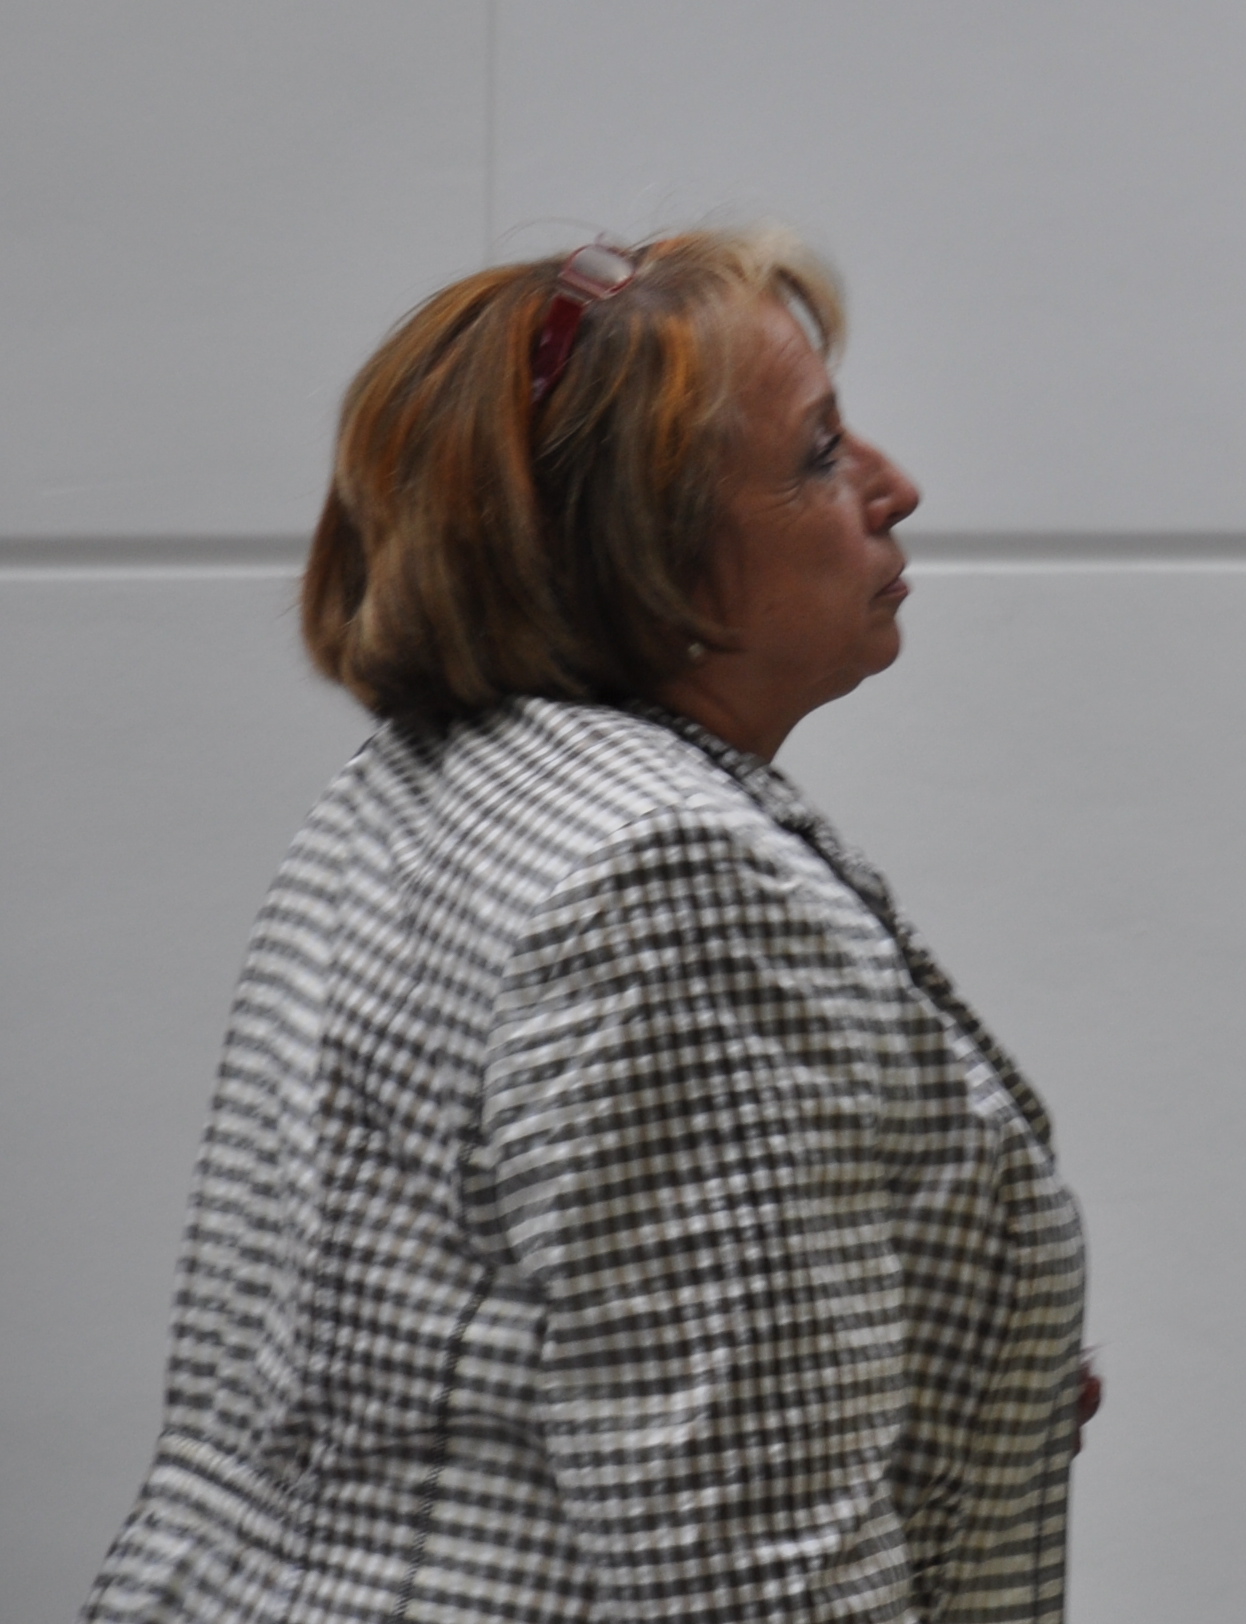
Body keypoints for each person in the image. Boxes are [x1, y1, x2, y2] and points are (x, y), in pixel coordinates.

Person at [89, 230, 1091, 1624]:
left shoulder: (430, 786)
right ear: (649, 562)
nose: (892, 487)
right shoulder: (668, 884)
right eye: (818, 455)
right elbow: (751, 1582)